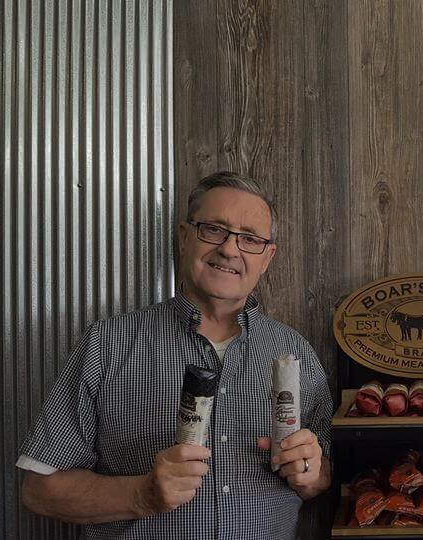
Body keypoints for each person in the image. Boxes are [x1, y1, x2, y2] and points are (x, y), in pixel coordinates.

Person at [17, 171, 333, 538]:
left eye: (249, 239)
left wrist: (313, 474)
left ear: (267, 258)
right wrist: (142, 495)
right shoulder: (107, 345)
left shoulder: (296, 353)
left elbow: (325, 476)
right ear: (184, 238)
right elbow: (40, 489)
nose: (230, 249)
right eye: (214, 229)